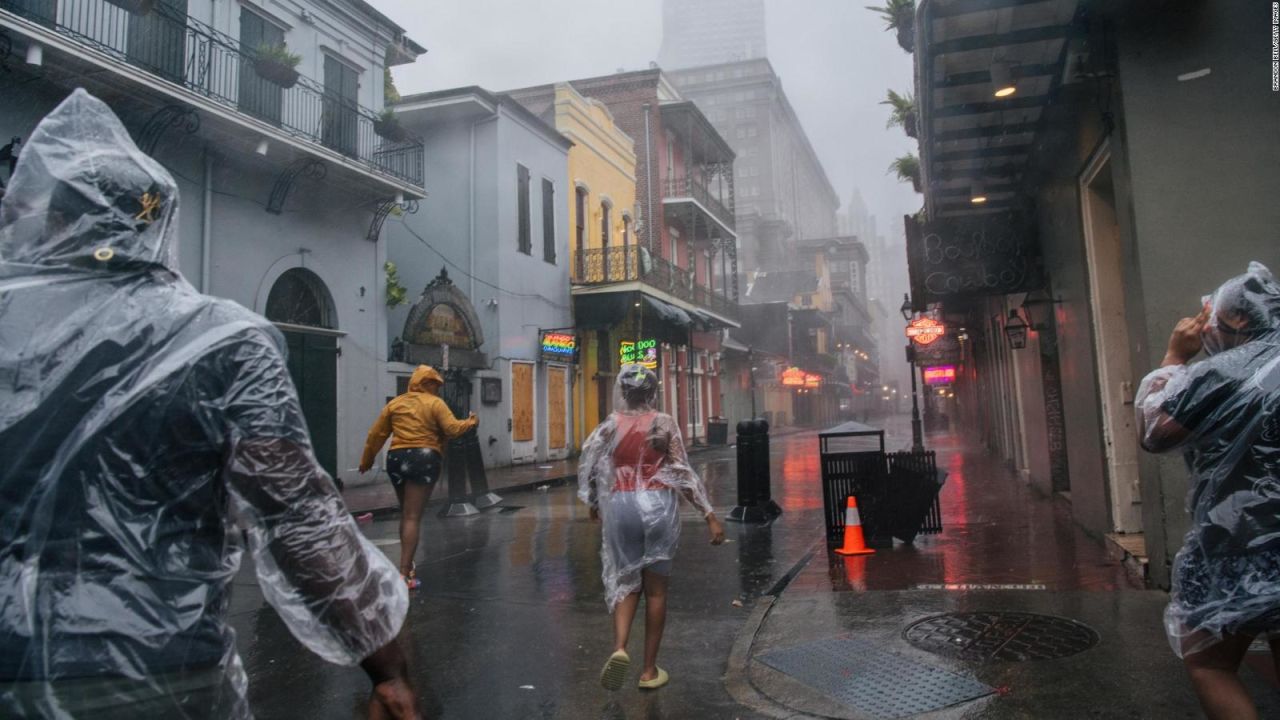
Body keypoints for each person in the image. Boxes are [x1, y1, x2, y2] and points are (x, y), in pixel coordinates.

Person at [0, 90, 418, 719]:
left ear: (52, 219)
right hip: (161, 671)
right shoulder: (223, 342)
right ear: (159, 226)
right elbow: (300, 521)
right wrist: (387, 669)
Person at [1135, 262, 1280, 720]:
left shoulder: (1219, 373)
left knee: (1210, 663)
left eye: (1210, 315)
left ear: (1236, 320)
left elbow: (1155, 431)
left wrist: (1175, 359)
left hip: (1234, 546)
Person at [578, 364, 726, 691]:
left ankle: (619, 648)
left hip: (621, 506)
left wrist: (593, 503)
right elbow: (681, 473)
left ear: (624, 392)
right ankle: (648, 670)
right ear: (653, 392)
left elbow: (591, 467)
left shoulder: (610, 426)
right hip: (657, 505)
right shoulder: (663, 424)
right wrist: (709, 515)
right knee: (656, 590)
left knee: (628, 583)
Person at [359, 365, 478, 588]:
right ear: (425, 383)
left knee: (406, 514)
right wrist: (470, 422)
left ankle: (407, 565)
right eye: (435, 384)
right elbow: (452, 429)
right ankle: (404, 575)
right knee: (413, 516)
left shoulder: (396, 403)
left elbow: (376, 434)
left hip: (396, 458)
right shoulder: (434, 403)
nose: (438, 389)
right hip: (424, 457)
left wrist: (366, 460)